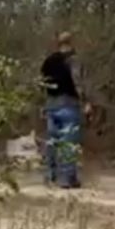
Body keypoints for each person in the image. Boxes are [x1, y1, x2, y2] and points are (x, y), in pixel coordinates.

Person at [40, 32, 92, 189]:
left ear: (58, 43)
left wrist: (45, 103)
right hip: (69, 104)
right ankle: (67, 179)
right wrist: (86, 101)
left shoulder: (48, 61)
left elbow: (42, 84)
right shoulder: (74, 60)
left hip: (51, 105)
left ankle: (51, 176)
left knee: (52, 142)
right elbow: (77, 82)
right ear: (71, 42)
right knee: (68, 142)